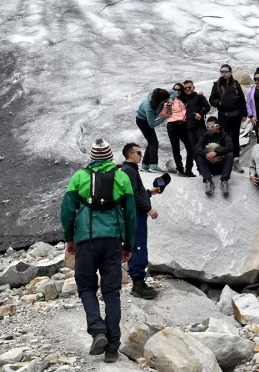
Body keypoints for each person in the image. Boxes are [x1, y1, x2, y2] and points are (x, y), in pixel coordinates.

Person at [60, 139, 136, 363]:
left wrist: (69, 238)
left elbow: (67, 211)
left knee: (86, 287)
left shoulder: (79, 177)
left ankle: (97, 330)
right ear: (111, 157)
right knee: (111, 292)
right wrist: (129, 245)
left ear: (92, 157)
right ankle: (112, 347)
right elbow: (130, 214)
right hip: (113, 240)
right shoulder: (122, 177)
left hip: (86, 240)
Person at [121, 142, 161, 299]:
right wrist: (148, 209)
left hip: (135, 214)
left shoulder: (130, 170)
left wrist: (149, 193)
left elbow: (136, 192)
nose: (141, 155)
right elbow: (132, 195)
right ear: (130, 155)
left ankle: (139, 282)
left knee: (139, 245)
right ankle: (137, 285)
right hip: (135, 215)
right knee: (138, 246)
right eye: (138, 153)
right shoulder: (128, 170)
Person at [209, 64, 247, 173]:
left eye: (226, 71)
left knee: (235, 138)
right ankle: (224, 161)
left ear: (230, 72)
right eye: (222, 72)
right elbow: (211, 99)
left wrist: (244, 113)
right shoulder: (216, 85)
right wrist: (218, 102)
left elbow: (242, 99)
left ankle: (235, 162)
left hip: (236, 115)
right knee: (224, 138)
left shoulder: (235, 84)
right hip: (223, 116)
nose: (224, 74)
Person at [136, 88, 176, 172]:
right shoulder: (149, 108)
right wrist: (165, 117)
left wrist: (170, 99)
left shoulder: (158, 94)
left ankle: (145, 165)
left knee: (151, 142)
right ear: (160, 100)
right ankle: (153, 165)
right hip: (143, 121)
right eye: (165, 101)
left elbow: (174, 92)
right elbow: (152, 124)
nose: (166, 102)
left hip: (147, 119)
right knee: (154, 142)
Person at [194, 116, 234, 196]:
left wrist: (216, 152)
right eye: (208, 127)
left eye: (212, 126)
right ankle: (208, 180)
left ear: (217, 126)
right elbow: (197, 148)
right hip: (210, 166)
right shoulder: (205, 136)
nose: (210, 129)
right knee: (199, 156)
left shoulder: (224, 135)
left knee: (230, 154)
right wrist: (206, 153)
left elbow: (230, 147)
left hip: (221, 165)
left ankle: (224, 181)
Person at [165, 83, 195, 177]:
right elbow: (169, 113)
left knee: (189, 147)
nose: (177, 91)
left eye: (179, 90)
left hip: (183, 125)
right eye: (175, 89)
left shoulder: (184, 99)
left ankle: (189, 169)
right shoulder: (170, 100)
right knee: (176, 148)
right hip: (173, 124)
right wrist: (170, 102)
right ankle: (180, 169)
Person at [183, 79, 210, 156]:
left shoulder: (199, 97)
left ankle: (210, 167)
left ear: (193, 87)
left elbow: (207, 107)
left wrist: (200, 114)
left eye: (189, 87)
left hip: (200, 127)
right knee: (195, 150)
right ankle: (199, 167)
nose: (187, 89)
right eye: (185, 88)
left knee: (204, 147)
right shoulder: (184, 99)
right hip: (189, 129)